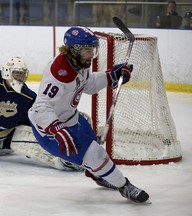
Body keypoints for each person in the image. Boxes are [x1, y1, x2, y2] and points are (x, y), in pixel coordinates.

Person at [28, 26, 150, 203]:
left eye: (92, 49)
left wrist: (111, 76)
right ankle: (125, 187)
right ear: (74, 49)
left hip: (71, 119)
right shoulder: (59, 72)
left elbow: (89, 84)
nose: (91, 55)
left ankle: (98, 175)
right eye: (87, 50)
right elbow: (40, 106)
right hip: (49, 131)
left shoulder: (78, 63)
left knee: (94, 147)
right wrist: (55, 127)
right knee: (95, 154)